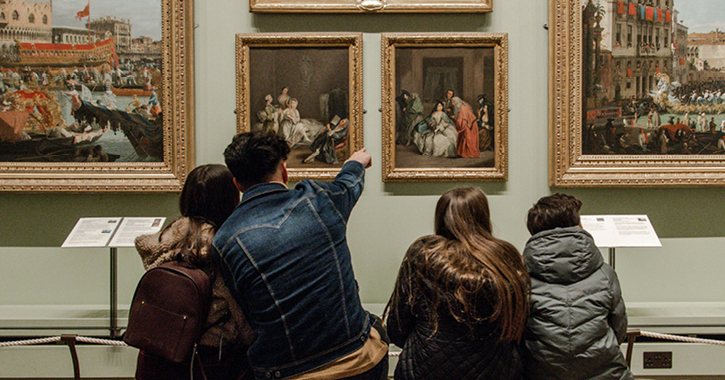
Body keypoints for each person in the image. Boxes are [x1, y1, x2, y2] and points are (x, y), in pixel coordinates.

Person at [213, 131, 388, 380]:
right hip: (356, 361)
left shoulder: (225, 240)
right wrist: (356, 161)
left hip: (283, 371)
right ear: (284, 171)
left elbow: (247, 311)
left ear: (237, 184)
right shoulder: (319, 201)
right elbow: (347, 183)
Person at [385, 187, 530, 380]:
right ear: (483, 216)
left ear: (440, 217)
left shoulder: (424, 255)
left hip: (425, 369)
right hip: (495, 369)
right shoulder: (505, 257)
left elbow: (397, 328)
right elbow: (518, 327)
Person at [134, 164, 254, 380]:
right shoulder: (224, 243)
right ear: (229, 197)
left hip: (166, 344)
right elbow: (237, 309)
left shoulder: (168, 237)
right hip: (213, 351)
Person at [522, 193, 633, 380]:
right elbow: (618, 328)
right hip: (605, 373)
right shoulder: (605, 274)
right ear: (577, 225)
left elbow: (516, 332)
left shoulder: (521, 277)